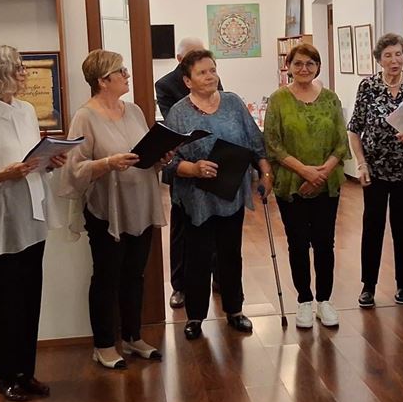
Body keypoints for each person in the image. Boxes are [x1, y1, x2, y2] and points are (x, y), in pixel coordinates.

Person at [0, 45, 66, 398]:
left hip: (32, 213)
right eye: (16, 68)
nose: (24, 73)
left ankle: (26, 371)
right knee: (6, 301)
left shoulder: (25, 110)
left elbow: (32, 160)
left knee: (30, 297)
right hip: (2, 219)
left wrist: (50, 162)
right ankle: (5, 375)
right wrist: (0, 176)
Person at [58, 50, 169, 369]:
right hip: (107, 208)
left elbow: (144, 153)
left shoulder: (133, 111)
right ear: (102, 81)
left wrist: (161, 158)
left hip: (140, 203)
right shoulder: (85, 117)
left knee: (135, 274)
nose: (127, 75)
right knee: (107, 276)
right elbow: (73, 169)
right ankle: (104, 344)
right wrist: (108, 163)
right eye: (120, 71)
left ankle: (133, 336)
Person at [165, 49, 273, 340]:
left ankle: (235, 310)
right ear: (188, 81)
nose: (210, 76)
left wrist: (265, 172)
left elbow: (256, 143)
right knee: (197, 258)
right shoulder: (178, 113)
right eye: (202, 72)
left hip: (230, 194)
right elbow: (169, 162)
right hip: (196, 198)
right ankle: (195, 317)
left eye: (212, 70)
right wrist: (194, 168)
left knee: (230, 254)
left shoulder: (233, 102)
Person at [263, 43, 349, 329]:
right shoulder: (278, 100)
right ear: (288, 67)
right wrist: (304, 171)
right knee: (297, 243)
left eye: (310, 64)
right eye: (298, 63)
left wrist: (322, 173)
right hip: (291, 183)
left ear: (318, 67)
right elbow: (273, 144)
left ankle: (324, 301)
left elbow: (341, 142)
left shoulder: (330, 99)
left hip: (327, 183)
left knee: (325, 243)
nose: (304, 69)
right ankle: (304, 300)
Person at [347, 33, 403, 308]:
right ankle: (368, 286)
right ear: (379, 59)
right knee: (372, 224)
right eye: (388, 56)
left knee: (402, 224)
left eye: (398, 54)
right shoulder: (368, 86)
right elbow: (354, 128)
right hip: (375, 168)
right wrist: (361, 163)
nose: (394, 60)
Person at [155, 37, 222, 309]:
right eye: (194, 56)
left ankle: (219, 278)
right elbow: (176, 126)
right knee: (183, 228)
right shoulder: (165, 85)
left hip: (215, 160)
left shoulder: (213, 78)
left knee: (218, 223)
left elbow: (220, 111)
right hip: (184, 163)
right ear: (180, 59)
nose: (206, 71)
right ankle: (180, 285)